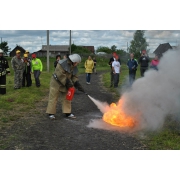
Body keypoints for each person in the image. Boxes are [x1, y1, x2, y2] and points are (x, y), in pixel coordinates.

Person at [46, 54, 86, 120]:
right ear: (73, 61)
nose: (77, 64)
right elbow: (60, 75)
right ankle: (51, 113)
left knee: (67, 98)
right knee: (53, 98)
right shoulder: (61, 64)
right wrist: (69, 84)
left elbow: (73, 76)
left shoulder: (74, 66)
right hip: (56, 83)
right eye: (76, 63)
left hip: (65, 84)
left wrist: (77, 83)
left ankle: (67, 112)